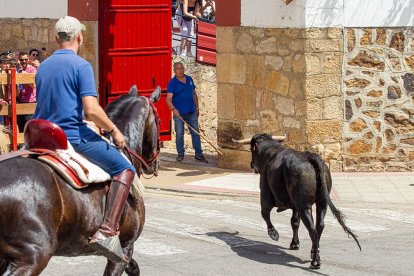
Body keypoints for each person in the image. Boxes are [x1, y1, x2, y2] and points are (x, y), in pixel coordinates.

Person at [34, 16, 135, 262]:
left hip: (40, 135)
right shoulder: (81, 66)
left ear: (57, 39)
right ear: (80, 37)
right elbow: (91, 109)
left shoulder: (43, 67)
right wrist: (113, 129)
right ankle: (108, 232)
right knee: (126, 168)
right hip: (70, 136)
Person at [166, 62, 208, 163]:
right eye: (178, 69)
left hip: (191, 111)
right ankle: (180, 154)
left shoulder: (189, 79)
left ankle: (199, 154)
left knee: (196, 133)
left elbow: (194, 94)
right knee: (180, 134)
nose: (180, 70)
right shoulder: (172, 83)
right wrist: (173, 109)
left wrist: (197, 108)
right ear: (174, 71)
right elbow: (168, 99)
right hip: (179, 113)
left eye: (182, 68)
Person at [17, 51, 37, 132]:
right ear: (19, 60)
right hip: (20, 100)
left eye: (25, 59)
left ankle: (31, 144)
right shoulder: (19, 69)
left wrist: (25, 76)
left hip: (30, 101)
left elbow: (34, 85)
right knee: (21, 126)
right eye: (22, 60)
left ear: (28, 59)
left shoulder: (32, 69)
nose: (24, 61)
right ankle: (22, 144)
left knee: (30, 127)